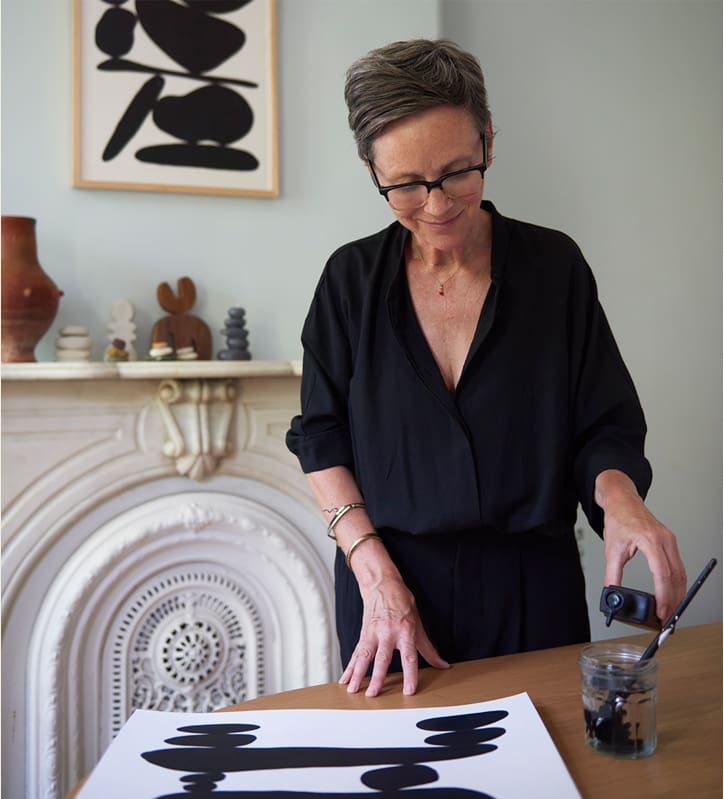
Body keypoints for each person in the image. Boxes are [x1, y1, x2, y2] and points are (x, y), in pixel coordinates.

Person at [286, 39, 687, 698]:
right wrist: (376, 575)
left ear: (489, 141)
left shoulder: (554, 268)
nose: (437, 203)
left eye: (457, 171)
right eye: (407, 184)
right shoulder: (348, 281)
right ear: (371, 170)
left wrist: (623, 503)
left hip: (534, 591)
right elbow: (320, 437)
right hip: (389, 592)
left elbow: (605, 424)